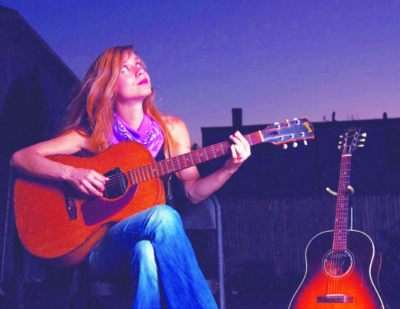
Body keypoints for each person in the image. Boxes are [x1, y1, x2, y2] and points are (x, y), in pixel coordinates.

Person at [10, 45, 251, 309]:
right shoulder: (94, 133)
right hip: (100, 248)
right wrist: (71, 173)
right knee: (164, 215)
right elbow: (21, 158)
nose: (139, 69)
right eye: (125, 67)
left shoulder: (172, 129)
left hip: (146, 244)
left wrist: (230, 167)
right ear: (109, 86)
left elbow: (193, 192)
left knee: (146, 252)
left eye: (139, 63)